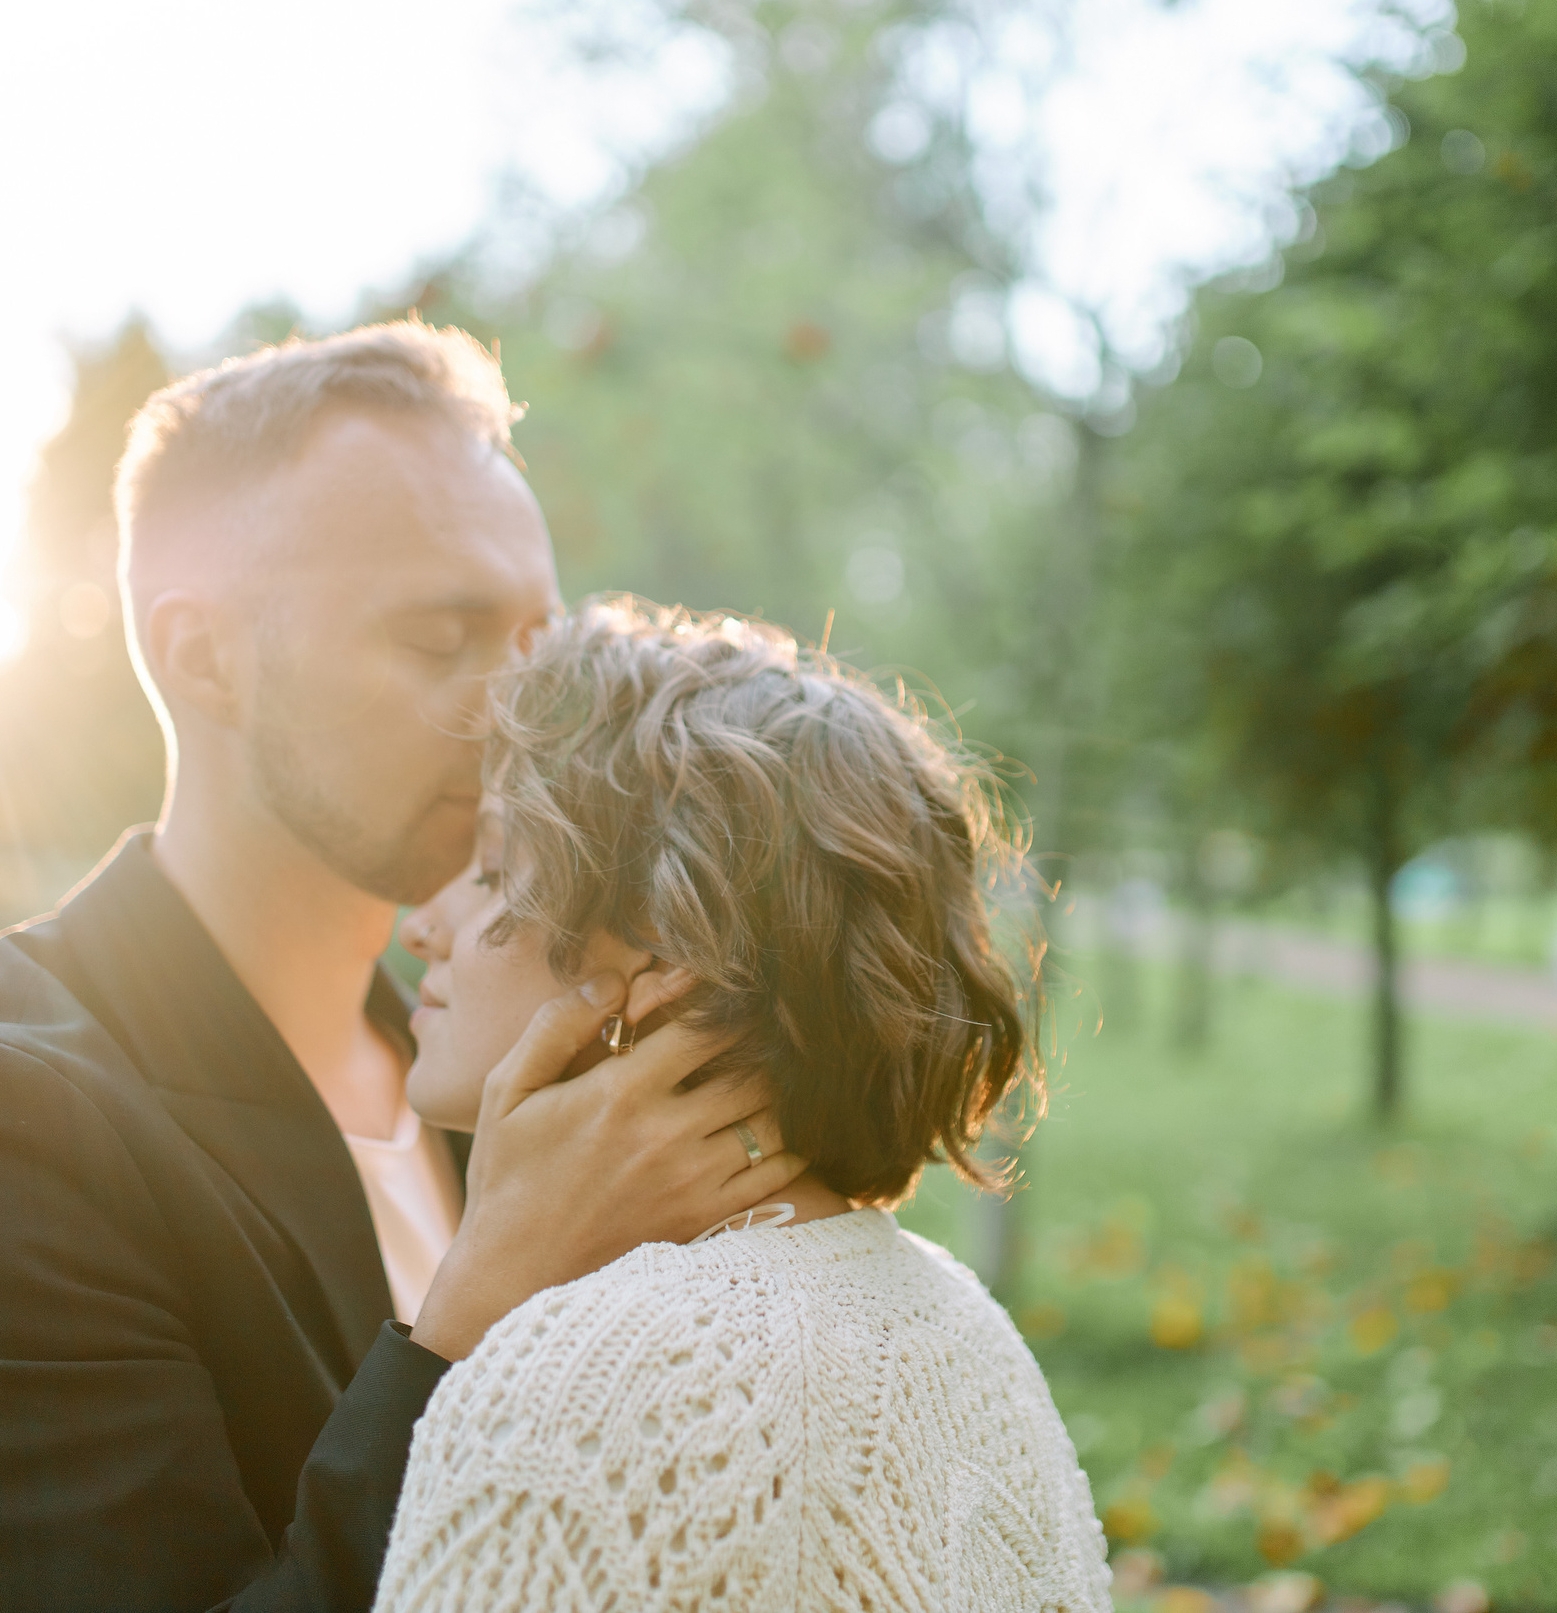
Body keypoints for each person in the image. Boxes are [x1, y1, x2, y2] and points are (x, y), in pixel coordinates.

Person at [0, 325, 804, 1611]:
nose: (520, 716)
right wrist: (482, 1305)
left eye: (534, 648)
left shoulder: (504, 1069)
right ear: (204, 655)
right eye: (442, 640)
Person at [374, 597, 1113, 1612]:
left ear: (668, 961)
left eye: (496, 868)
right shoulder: (963, 1331)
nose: (424, 924)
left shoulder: (573, 1393)